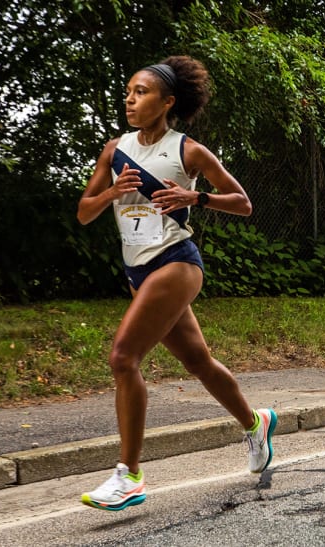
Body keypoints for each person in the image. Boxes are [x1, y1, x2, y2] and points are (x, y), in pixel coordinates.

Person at [76, 56, 277, 511]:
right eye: (128, 91)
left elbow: (243, 203)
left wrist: (196, 196)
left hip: (176, 262)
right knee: (200, 364)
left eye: (141, 92)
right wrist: (111, 191)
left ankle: (128, 476)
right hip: (137, 272)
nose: (130, 99)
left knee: (123, 357)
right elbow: (84, 212)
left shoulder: (187, 150)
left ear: (167, 102)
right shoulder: (114, 150)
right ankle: (255, 422)